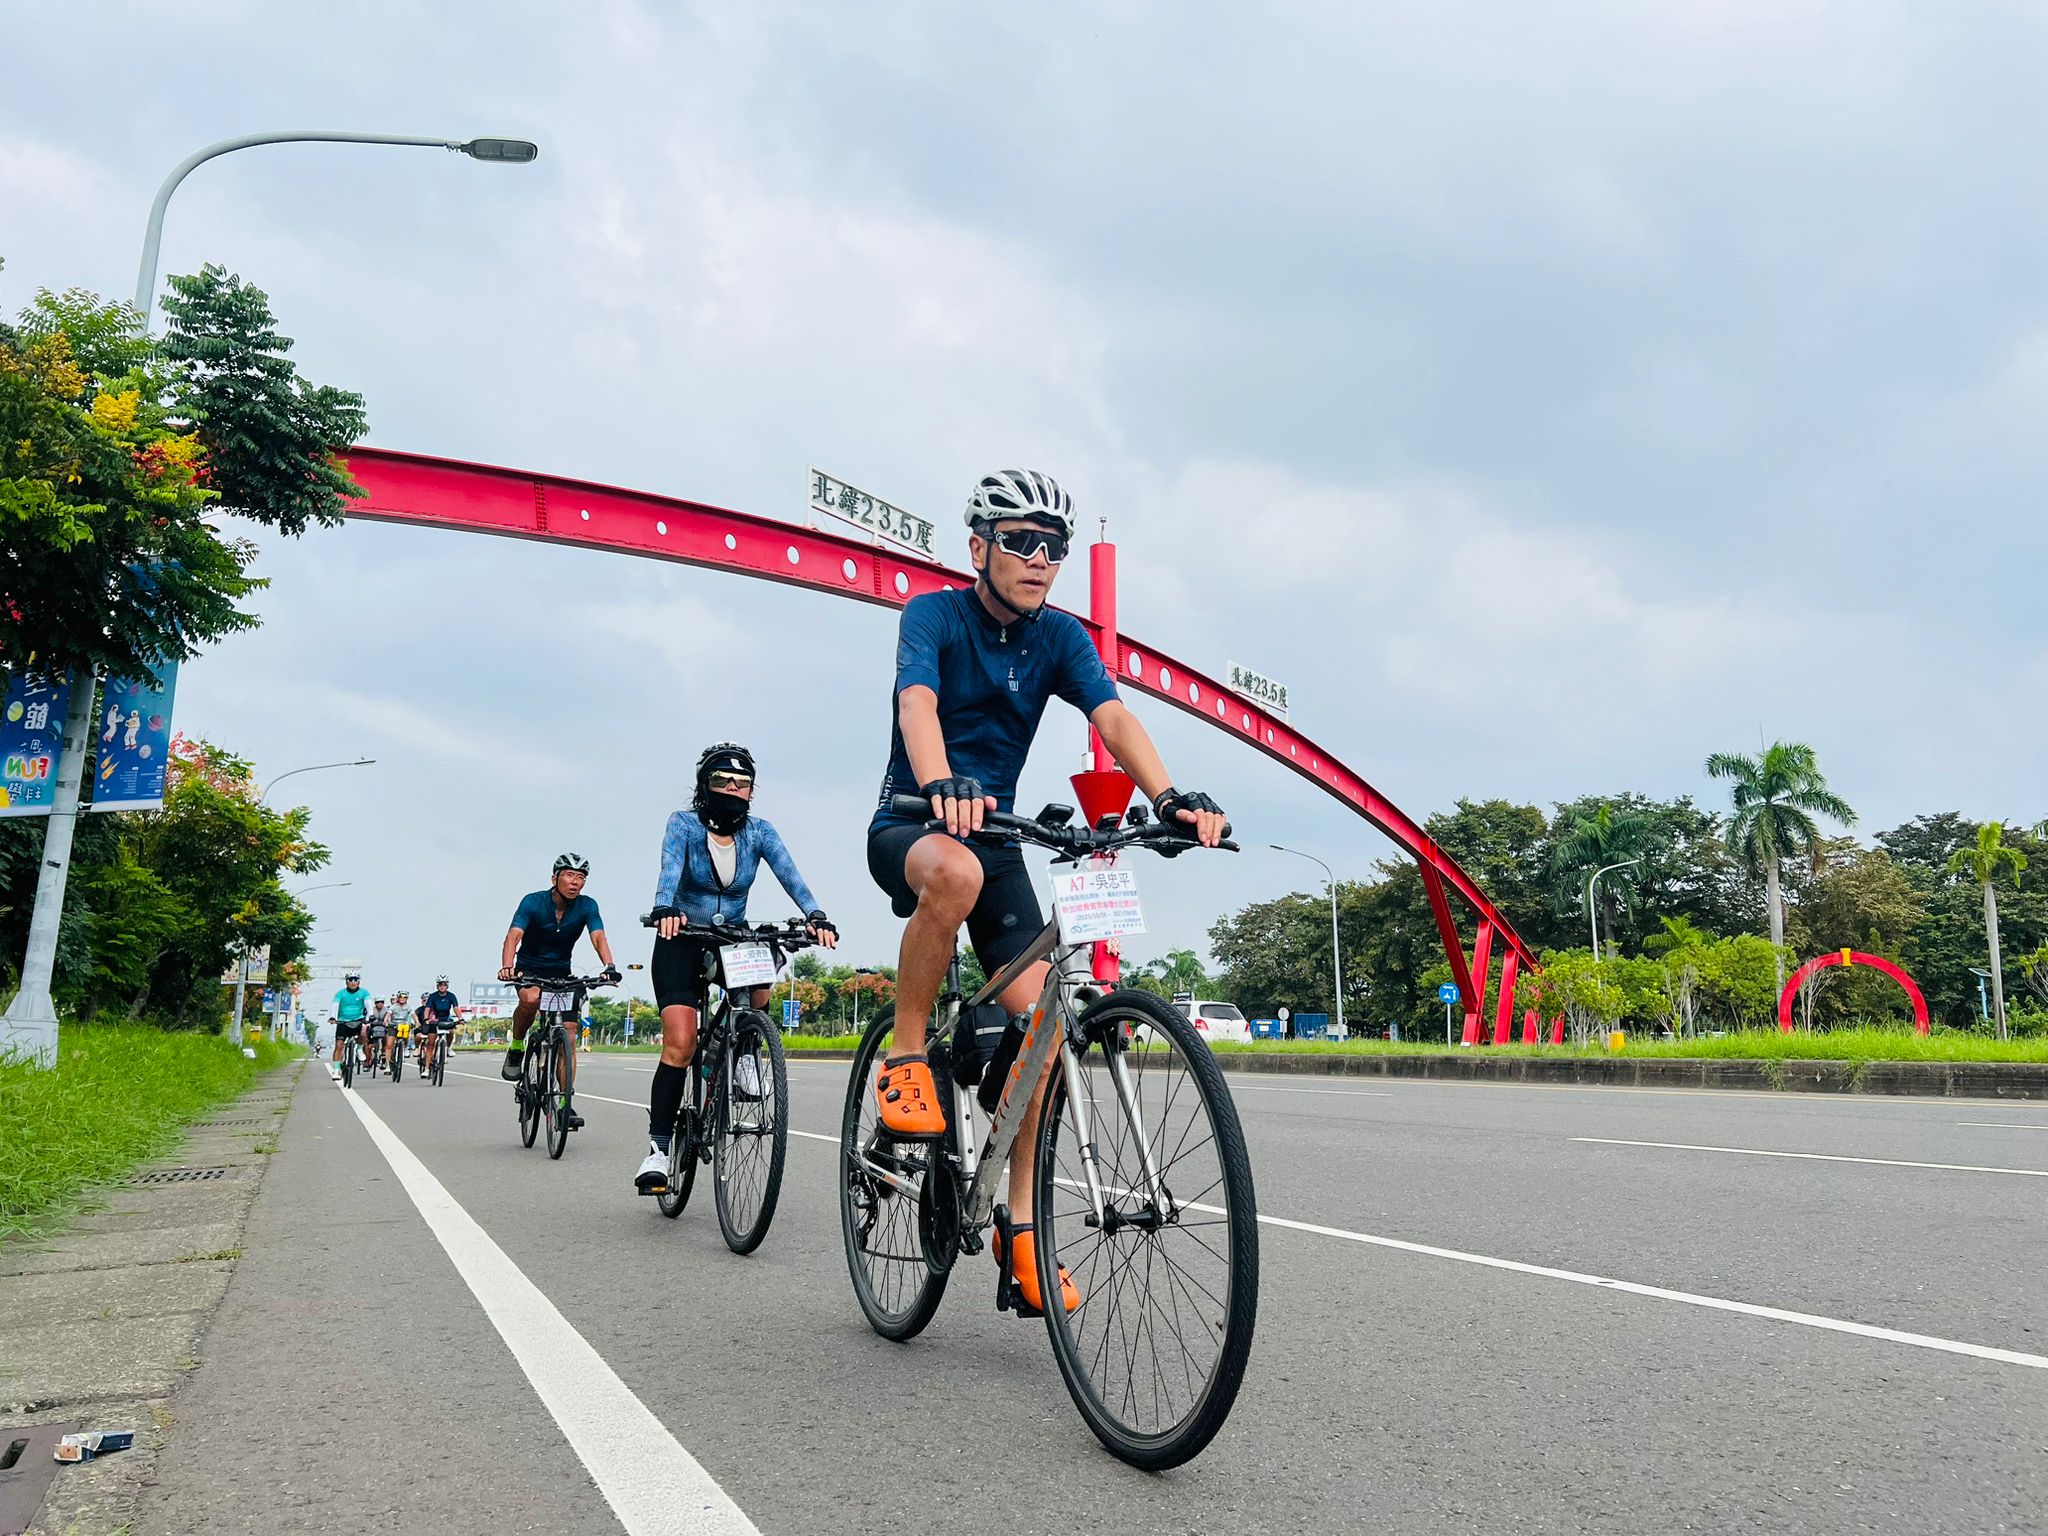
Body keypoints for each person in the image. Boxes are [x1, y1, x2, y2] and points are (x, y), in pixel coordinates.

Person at [865, 469, 1226, 1313]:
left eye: (1055, 548)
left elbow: (1112, 715)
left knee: (1044, 1031)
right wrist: (941, 780)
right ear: (980, 545)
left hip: (1000, 842)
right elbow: (916, 700)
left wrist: (1169, 796)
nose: (1040, 559)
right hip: (913, 824)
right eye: (1022, 541)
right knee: (952, 870)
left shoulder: (1059, 637)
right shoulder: (934, 616)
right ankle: (907, 1055)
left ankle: (1019, 1229)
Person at [635, 744, 838, 1193]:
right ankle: (658, 1151)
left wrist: (815, 915)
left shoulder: (759, 832)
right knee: (681, 1043)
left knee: (759, 981)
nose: (733, 788)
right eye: (724, 781)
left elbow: (791, 874)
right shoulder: (683, 824)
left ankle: (744, 1051)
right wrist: (664, 908)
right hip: (681, 937)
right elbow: (669, 870)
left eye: (742, 783)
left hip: (732, 938)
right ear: (704, 785)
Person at [498, 853, 621, 1129]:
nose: (575, 882)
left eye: (581, 877)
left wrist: (609, 965)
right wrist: (507, 966)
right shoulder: (532, 901)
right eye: (569, 875)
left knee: (568, 1035)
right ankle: (518, 1044)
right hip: (529, 969)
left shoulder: (588, 906)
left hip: (561, 973)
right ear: (554, 878)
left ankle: (565, 1102)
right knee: (529, 998)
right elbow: (513, 936)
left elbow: (598, 936)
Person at [416, 975, 458, 1079]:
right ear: (437, 986)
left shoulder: (451, 996)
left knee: (451, 1032)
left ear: (447, 986)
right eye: (440, 984)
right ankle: (426, 1068)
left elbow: (456, 1008)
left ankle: (448, 1048)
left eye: (444, 984)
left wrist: (460, 1018)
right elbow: (427, 1008)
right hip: (434, 1021)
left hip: (445, 1020)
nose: (442, 986)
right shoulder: (433, 996)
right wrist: (426, 1019)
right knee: (430, 1044)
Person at [331, 972, 371, 1069]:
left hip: (358, 1020)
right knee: (339, 1045)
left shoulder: (364, 993)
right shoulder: (340, 993)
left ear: (359, 982)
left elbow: (368, 1004)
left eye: (355, 979)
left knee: (364, 1032)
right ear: (346, 982)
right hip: (343, 1021)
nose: (353, 982)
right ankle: (336, 1069)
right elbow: (335, 1005)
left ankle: (359, 1049)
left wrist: (370, 1016)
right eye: (350, 980)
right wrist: (333, 1017)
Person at [366, 998, 393, 1072]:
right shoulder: (371, 1010)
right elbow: (367, 1017)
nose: (380, 1003)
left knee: (386, 1040)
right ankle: (367, 1061)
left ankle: (384, 1058)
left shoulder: (387, 1010)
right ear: (375, 1003)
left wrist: (388, 1023)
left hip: (383, 1028)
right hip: (373, 1028)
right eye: (378, 1002)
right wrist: (367, 1023)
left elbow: (389, 1018)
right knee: (367, 1043)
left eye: (382, 1002)